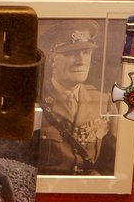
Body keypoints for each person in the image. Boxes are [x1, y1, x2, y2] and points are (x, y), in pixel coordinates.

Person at [38, 20, 119, 175]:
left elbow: (114, 162)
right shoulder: (35, 101)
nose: (81, 61)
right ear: (52, 59)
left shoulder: (104, 102)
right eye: (71, 53)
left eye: (86, 53)